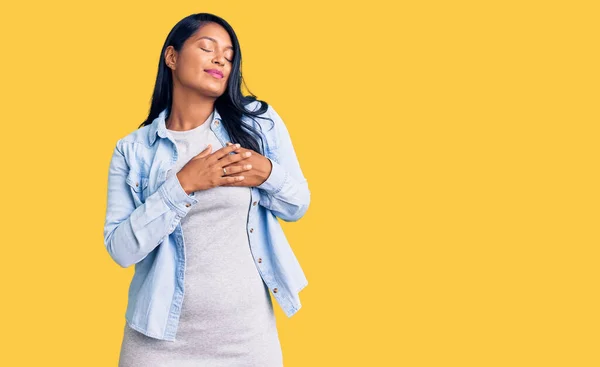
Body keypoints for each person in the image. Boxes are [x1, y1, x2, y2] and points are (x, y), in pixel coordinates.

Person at [103, 12, 310, 367]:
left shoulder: (258, 123)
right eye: (207, 48)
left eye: (229, 56)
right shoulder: (134, 149)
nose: (220, 60)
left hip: (248, 341)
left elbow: (297, 206)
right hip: (157, 344)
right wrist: (182, 185)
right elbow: (121, 249)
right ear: (172, 57)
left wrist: (268, 174)